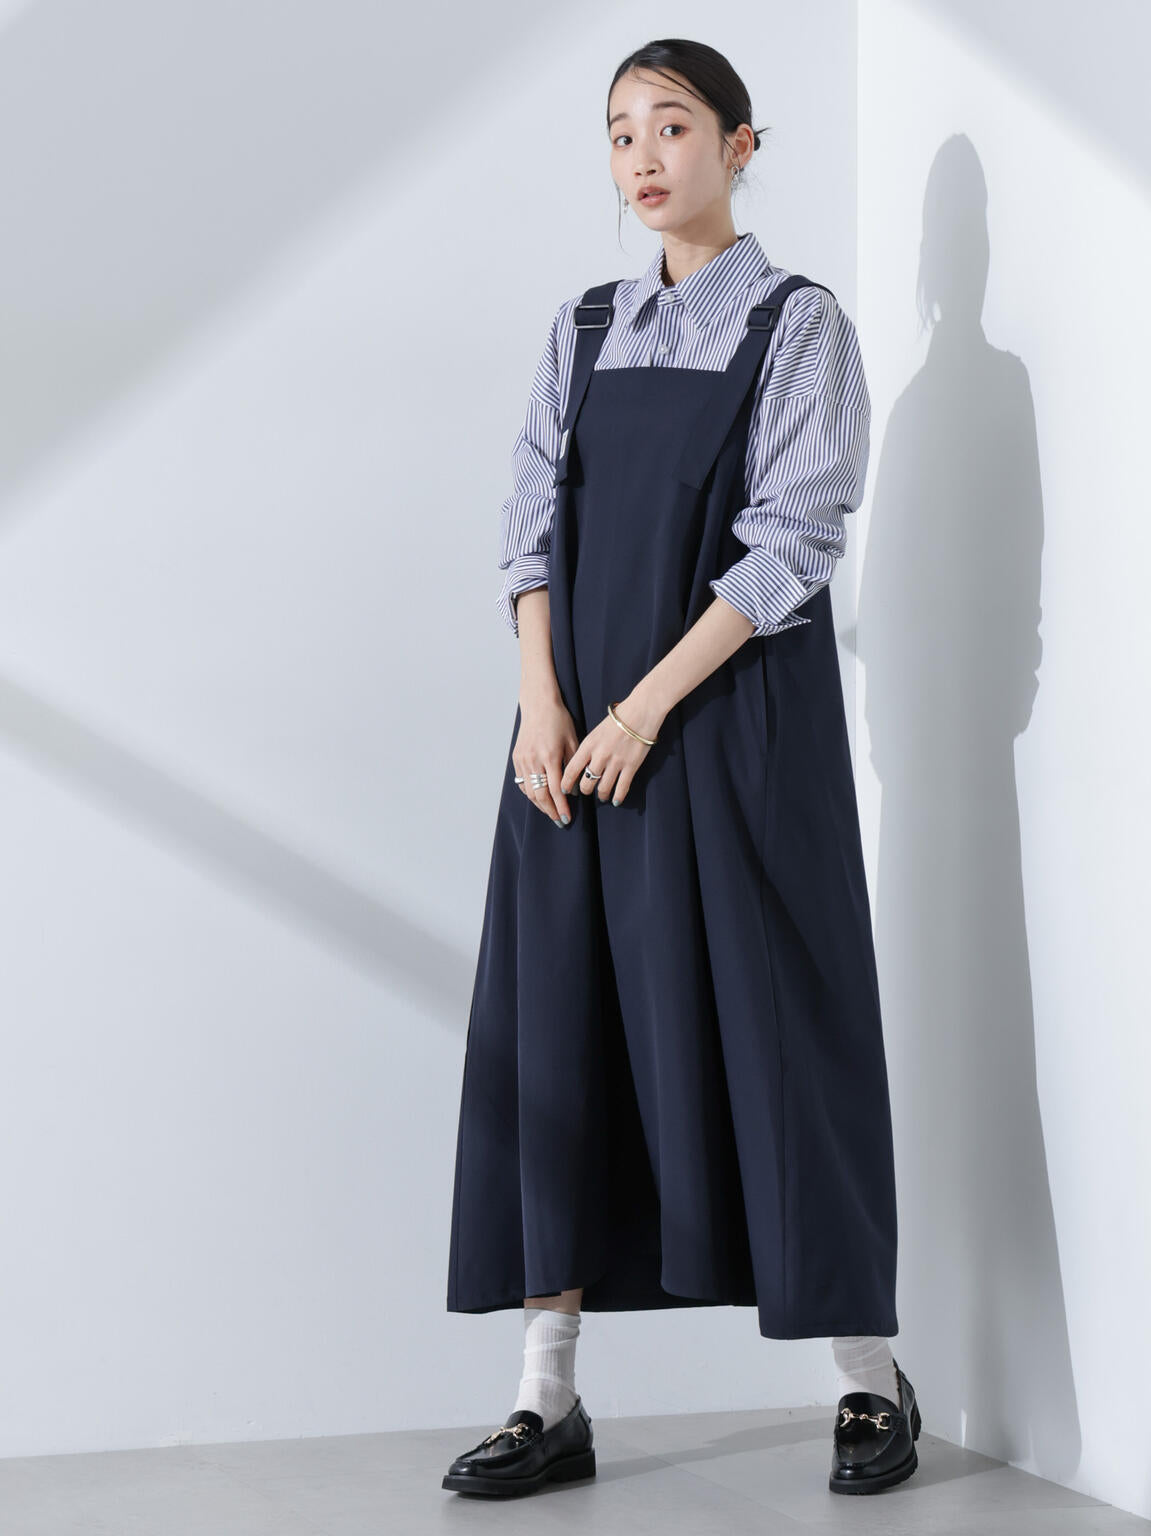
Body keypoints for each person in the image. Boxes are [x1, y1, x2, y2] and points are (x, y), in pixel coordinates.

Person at [441, 37, 921, 1499]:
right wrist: (540, 703)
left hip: (732, 734)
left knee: (781, 1039)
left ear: (740, 145)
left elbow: (793, 542)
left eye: (672, 125)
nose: (643, 158)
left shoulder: (796, 324)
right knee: (557, 1041)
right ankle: (547, 1397)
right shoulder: (583, 327)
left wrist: (642, 709)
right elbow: (528, 518)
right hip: (569, 748)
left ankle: (869, 1376)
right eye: (619, 133)